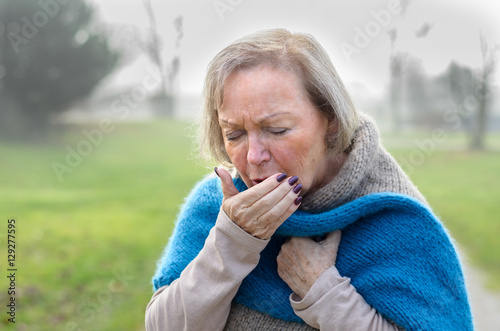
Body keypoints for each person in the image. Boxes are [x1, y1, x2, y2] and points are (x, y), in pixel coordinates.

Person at [145, 28, 472, 330]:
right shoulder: (217, 206)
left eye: (277, 130)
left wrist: (327, 296)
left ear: (330, 120)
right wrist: (231, 243)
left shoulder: (393, 220)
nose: (253, 156)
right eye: (235, 134)